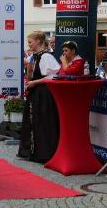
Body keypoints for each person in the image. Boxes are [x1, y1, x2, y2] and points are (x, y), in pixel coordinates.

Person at [18, 31, 60, 163]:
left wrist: (34, 82)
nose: (29, 44)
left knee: (42, 122)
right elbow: (32, 74)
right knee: (32, 121)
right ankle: (31, 150)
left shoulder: (46, 56)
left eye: (30, 42)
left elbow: (53, 76)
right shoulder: (35, 56)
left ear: (38, 41)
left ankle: (43, 153)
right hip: (36, 92)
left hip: (43, 93)